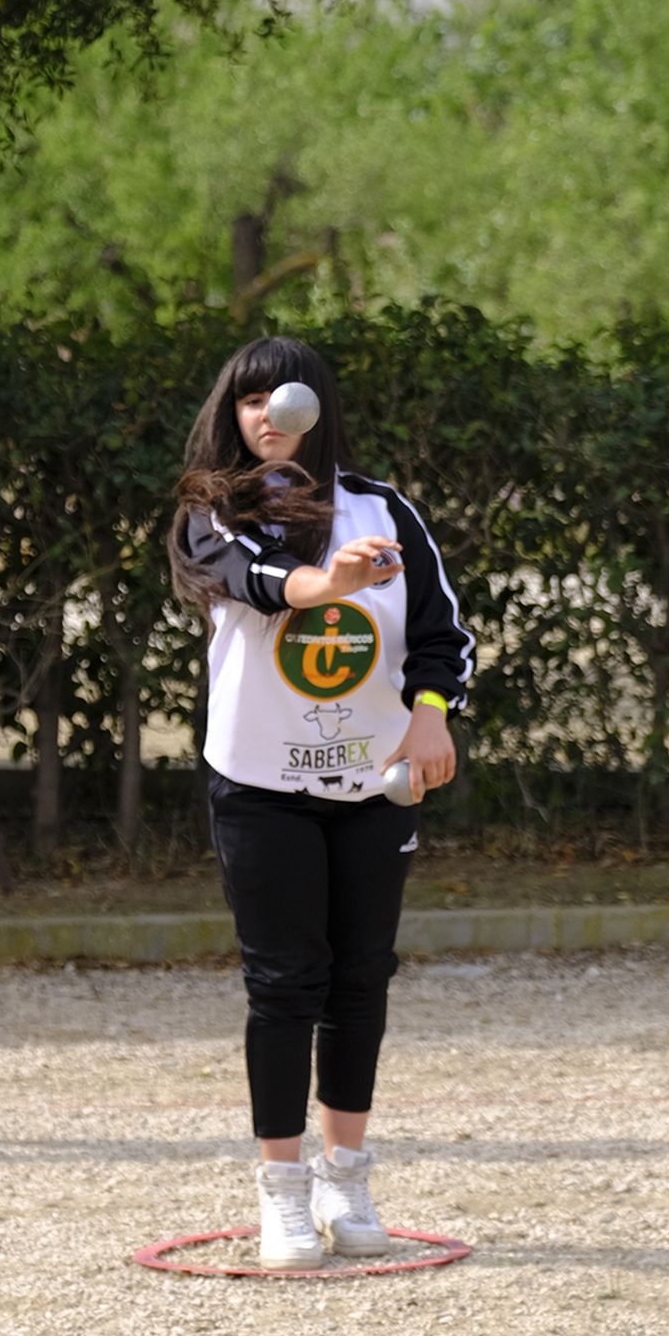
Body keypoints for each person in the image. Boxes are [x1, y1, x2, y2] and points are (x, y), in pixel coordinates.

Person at [169, 335, 473, 1267]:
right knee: (284, 981)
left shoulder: (382, 508)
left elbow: (442, 635)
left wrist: (430, 717)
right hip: (262, 784)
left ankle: (347, 1178)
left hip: (376, 782)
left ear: (317, 406)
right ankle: (283, 1192)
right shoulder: (208, 509)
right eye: (248, 399)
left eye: (282, 396)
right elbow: (258, 585)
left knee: (359, 977)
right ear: (232, 412)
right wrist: (329, 584)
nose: (267, 413)